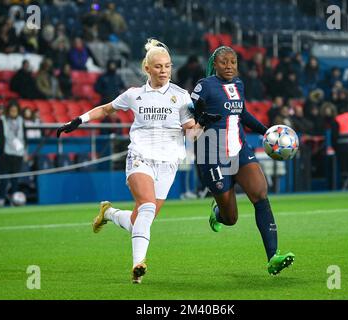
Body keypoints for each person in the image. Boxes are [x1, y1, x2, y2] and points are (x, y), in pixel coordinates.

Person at [56, 39, 218, 284]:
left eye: (167, 66)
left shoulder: (181, 96)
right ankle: (138, 266)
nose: (164, 71)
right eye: (158, 66)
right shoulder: (134, 95)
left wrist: (202, 122)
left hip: (169, 163)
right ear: (147, 69)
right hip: (139, 157)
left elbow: (192, 134)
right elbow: (106, 109)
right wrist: (78, 120)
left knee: (139, 221)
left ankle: (109, 213)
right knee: (148, 208)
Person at [190, 46, 295, 276]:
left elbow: (243, 114)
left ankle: (273, 256)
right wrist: (200, 118)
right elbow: (189, 113)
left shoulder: (239, 85)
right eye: (224, 62)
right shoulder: (204, 86)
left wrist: (266, 131)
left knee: (260, 193)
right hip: (212, 156)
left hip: (240, 150)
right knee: (231, 218)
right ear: (214, 65)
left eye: (233, 62)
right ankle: (218, 212)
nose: (229, 66)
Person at [0, 100, 27, 206]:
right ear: (8, 111)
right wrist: (2, 151)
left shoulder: (21, 120)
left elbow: (24, 137)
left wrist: (24, 151)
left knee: (15, 181)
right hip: (5, 154)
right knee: (4, 180)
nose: (13, 112)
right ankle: (1, 199)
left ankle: (14, 201)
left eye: (15, 110)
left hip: (18, 155)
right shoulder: (2, 120)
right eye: (11, 110)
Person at [331, 105, 348, 190]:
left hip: (342, 148)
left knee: (344, 167)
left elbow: (334, 137)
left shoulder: (338, 119)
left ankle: (344, 184)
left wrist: (335, 148)